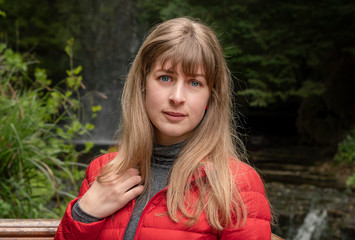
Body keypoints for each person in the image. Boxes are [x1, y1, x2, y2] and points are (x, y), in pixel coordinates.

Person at [54, 17, 271, 240]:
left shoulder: (237, 185)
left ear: (211, 97)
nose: (177, 97)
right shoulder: (103, 171)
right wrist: (85, 213)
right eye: (165, 78)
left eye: (194, 83)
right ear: (142, 85)